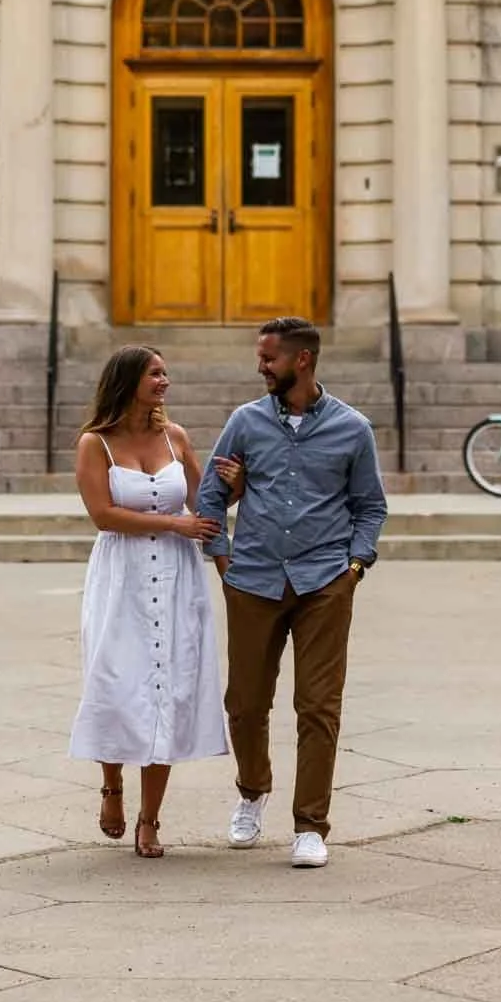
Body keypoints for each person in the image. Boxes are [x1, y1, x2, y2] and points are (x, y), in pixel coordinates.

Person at [194, 315, 388, 869]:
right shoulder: (245, 423)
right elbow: (210, 495)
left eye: (269, 358)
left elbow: (369, 505)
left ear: (301, 360)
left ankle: (310, 825)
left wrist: (355, 564)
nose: (261, 366)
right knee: (246, 704)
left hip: (325, 581)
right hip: (252, 579)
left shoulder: (353, 428)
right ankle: (252, 792)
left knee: (319, 707)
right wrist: (224, 559)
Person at [69, 344, 234, 858]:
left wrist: (234, 488)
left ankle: (150, 819)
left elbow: (204, 506)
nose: (164, 381)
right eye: (154, 374)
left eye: (165, 372)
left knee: (170, 689)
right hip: (123, 579)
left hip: (178, 578)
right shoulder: (96, 444)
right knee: (117, 684)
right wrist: (174, 523)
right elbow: (103, 514)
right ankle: (113, 788)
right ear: (127, 380)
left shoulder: (176, 437)